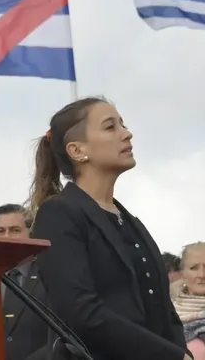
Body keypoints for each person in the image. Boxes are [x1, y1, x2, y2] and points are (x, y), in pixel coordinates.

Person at [28, 97, 189, 360]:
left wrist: (181, 353)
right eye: (110, 127)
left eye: (123, 124)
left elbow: (164, 311)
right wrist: (168, 356)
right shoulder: (58, 214)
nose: (127, 133)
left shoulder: (130, 221)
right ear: (77, 151)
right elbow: (81, 312)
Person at [0, 203, 48, 360]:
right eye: (0, 231)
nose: (7, 237)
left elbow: (61, 336)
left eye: (15, 230)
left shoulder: (49, 275)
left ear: (31, 234)